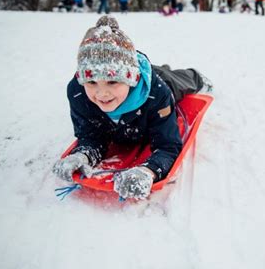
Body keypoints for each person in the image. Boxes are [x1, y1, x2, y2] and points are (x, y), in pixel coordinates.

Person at [52, 16, 211, 200]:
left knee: (181, 80)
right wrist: (83, 155)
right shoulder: (78, 93)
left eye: (112, 81)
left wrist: (148, 171)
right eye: (92, 82)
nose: (102, 93)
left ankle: (196, 76)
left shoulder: (158, 92)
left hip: (158, 80)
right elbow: (91, 136)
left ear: (131, 78)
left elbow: (167, 145)